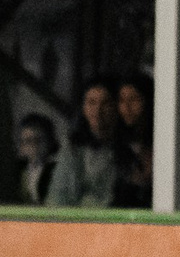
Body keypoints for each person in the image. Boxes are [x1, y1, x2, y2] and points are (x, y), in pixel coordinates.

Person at [50, 77, 122, 207]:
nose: (98, 110)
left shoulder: (125, 148)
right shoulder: (72, 147)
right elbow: (58, 196)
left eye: (105, 103)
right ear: (83, 107)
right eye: (91, 102)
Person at [112, 72, 154, 208]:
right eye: (122, 100)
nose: (127, 107)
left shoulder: (160, 143)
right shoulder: (114, 144)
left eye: (134, 99)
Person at [16, 112, 59, 205]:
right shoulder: (18, 171)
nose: (33, 146)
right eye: (27, 141)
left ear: (49, 141)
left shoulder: (56, 170)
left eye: (38, 140)